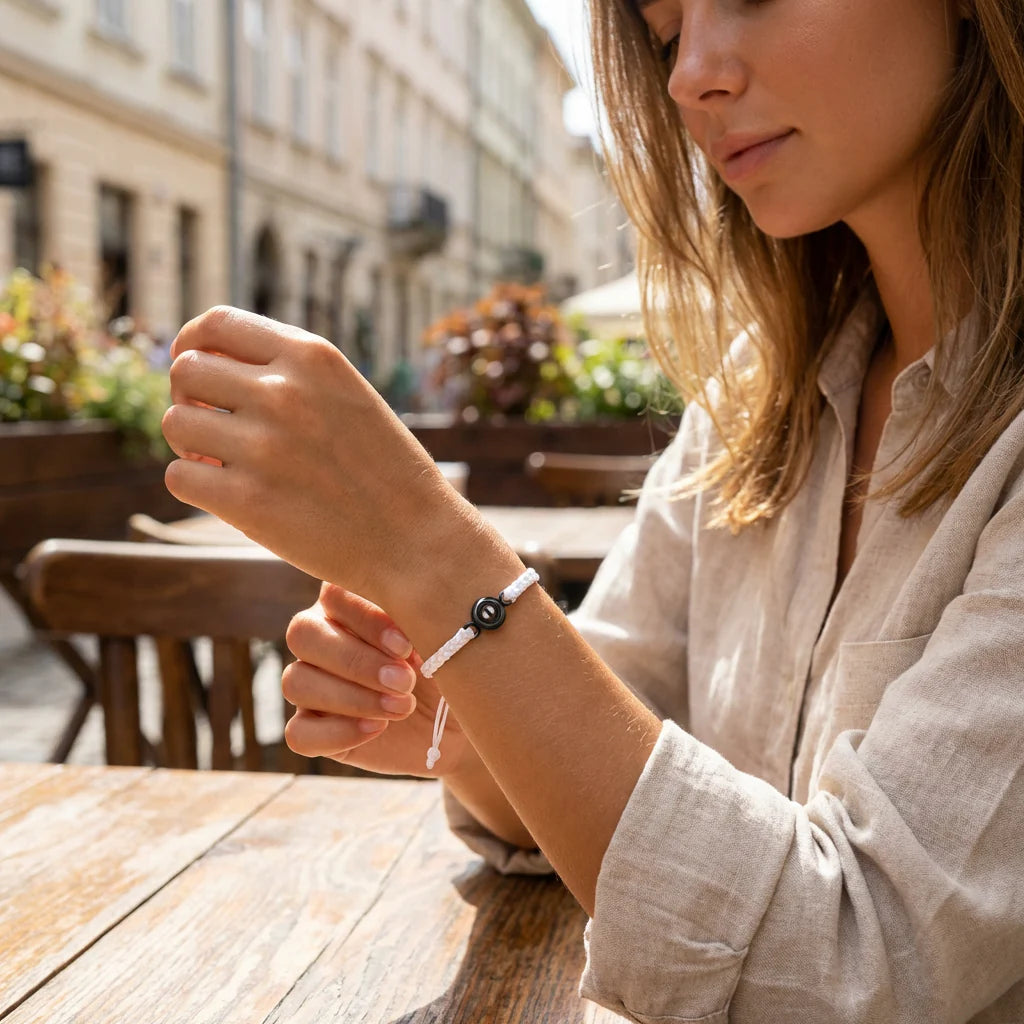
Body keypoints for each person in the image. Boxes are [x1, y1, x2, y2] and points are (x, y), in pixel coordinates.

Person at [160, 0, 1024, 1019]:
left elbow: (851, 962)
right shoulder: (764, 393)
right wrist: (476, 722)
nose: (688, 75)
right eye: (662, 33)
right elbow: (630, 719)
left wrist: (436, 556)